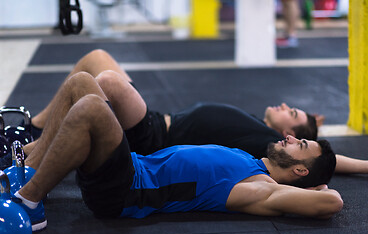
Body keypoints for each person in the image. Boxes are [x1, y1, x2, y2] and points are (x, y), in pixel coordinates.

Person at [10, 72, 342, 232]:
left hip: (127, 191)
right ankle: (25, 172)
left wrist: (317, 188)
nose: (288, 138)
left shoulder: (260, 188)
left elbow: (332, 203)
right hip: (131, 166)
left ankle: (29, 202)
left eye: (300, 145)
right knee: (81, 82)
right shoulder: (252, 159)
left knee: (92, 108)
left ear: (300, 170)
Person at [14, 49, 367, 176]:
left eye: (293, 114)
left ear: (291, 135)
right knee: (96, 59)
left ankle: (30, 155)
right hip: (153, 117)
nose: (285, 108)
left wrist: (364, 165)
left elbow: (330, 162)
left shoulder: (269, 143)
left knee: (106, 80)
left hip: (153, 137)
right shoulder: (258, 126)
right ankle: (32, 129)